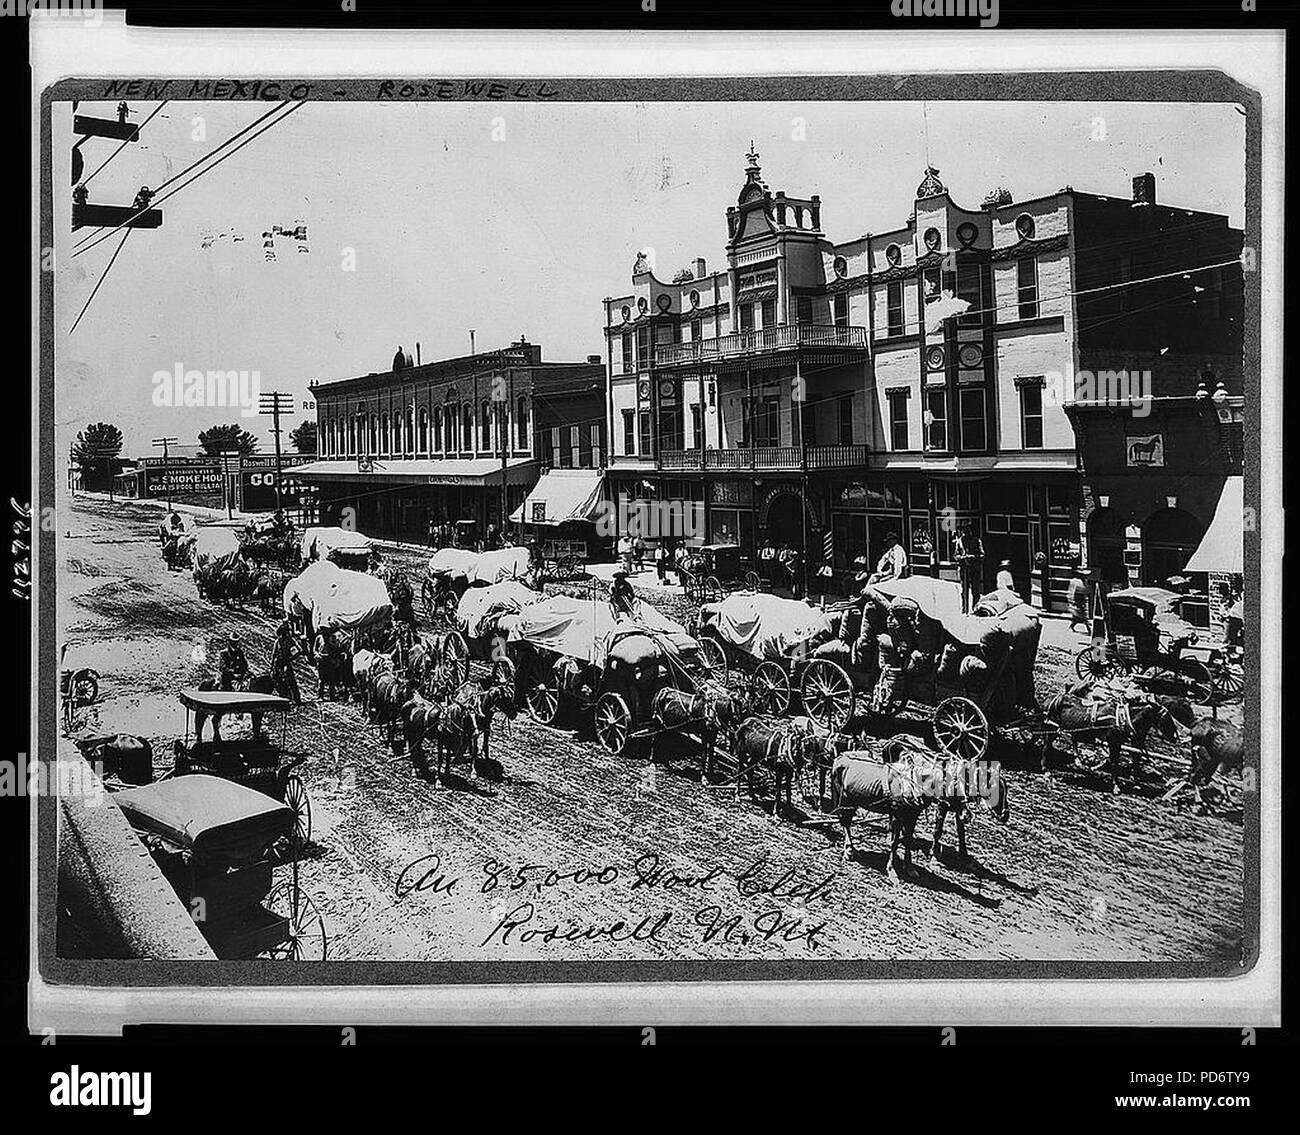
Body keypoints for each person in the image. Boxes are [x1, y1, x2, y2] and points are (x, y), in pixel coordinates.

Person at [954, 522, 984, 615]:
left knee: (975, 590)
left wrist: (973, 557)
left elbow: (982, 554)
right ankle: (964, 610)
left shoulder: (976, 541)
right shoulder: (959, 542)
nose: (966, 532)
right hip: (964, 569)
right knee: (964, 591)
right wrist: (961, 558)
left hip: (974, 569)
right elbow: (955, 555)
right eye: (964, 530)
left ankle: (975, 609)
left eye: (967, 530)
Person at [270, 620, 302, 705]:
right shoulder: (278, 641)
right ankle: (283, 699)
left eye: (285, 632)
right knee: (280, 682)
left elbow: (298, 651)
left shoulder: (290, 640)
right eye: (283, 632)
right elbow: (274, 653)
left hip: (286, 662)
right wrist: (272, 665)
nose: (284, 634)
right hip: (278, 663)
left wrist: (291, 658)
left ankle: (296, 699)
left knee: (291, 680)